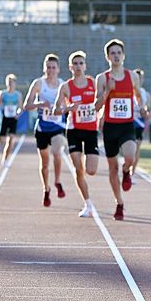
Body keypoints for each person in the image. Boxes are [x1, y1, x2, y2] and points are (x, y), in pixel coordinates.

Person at [94, 39, 142, 221]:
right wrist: (107, 92)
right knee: (112, 169)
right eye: (112, 53)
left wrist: (142, 106)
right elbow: (96, 107)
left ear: (123, 56)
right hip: (110, 128)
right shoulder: (102, 78)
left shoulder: (132, 77)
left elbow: (138, 95)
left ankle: (127, 171)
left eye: (118, 53)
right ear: (107, 57)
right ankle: (119, 203)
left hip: (127, 125)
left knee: (130, 155)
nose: (116, 56)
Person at [53, 50, 99, 217]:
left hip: (91, 130)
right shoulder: (65, 87)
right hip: (73, 130)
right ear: (70, 67)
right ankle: (87, 204)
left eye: (81, 63)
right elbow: (55, 110)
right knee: (78, 169)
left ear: (85, 66)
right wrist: (68, 108)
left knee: (91, 170)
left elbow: (101, 101)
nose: (78, 66)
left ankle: (87, 200)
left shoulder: (92, 83)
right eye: (75, 64)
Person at [23, 53, 67, 207]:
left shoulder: (63, 84)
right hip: (42, 128)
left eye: (53, 67)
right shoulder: (38, 83)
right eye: (48, 67)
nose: (51, 70)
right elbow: (26, 106)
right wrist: (40, 104)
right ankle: (46, 188)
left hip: (58, 127)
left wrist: (62, 108)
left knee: (57, 152)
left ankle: (57, 181)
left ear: (58, 69)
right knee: (44, 163)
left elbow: (68, 107)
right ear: (44, 68)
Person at [0, 73, 23, 168]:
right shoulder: (2, 93)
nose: (10, 84)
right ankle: (0, 135)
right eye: (8, 82)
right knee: (1, 141)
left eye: (11, 82)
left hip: (13, 119)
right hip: (5, 118)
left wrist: (18, 114)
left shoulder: (18, 94)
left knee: (11, 140)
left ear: (15, 83)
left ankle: (5, 159)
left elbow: (21, 107)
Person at [132, 68, 151, 175]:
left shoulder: (146, 94)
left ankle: (132, 171)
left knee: (137, 147)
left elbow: (148, 111)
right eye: (136, 78)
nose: (138, 80)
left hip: (139, 122)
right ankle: (127, 166)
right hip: (128, 121)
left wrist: (145, 112)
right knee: (128, 147)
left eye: (140, 78)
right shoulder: (127, 91)